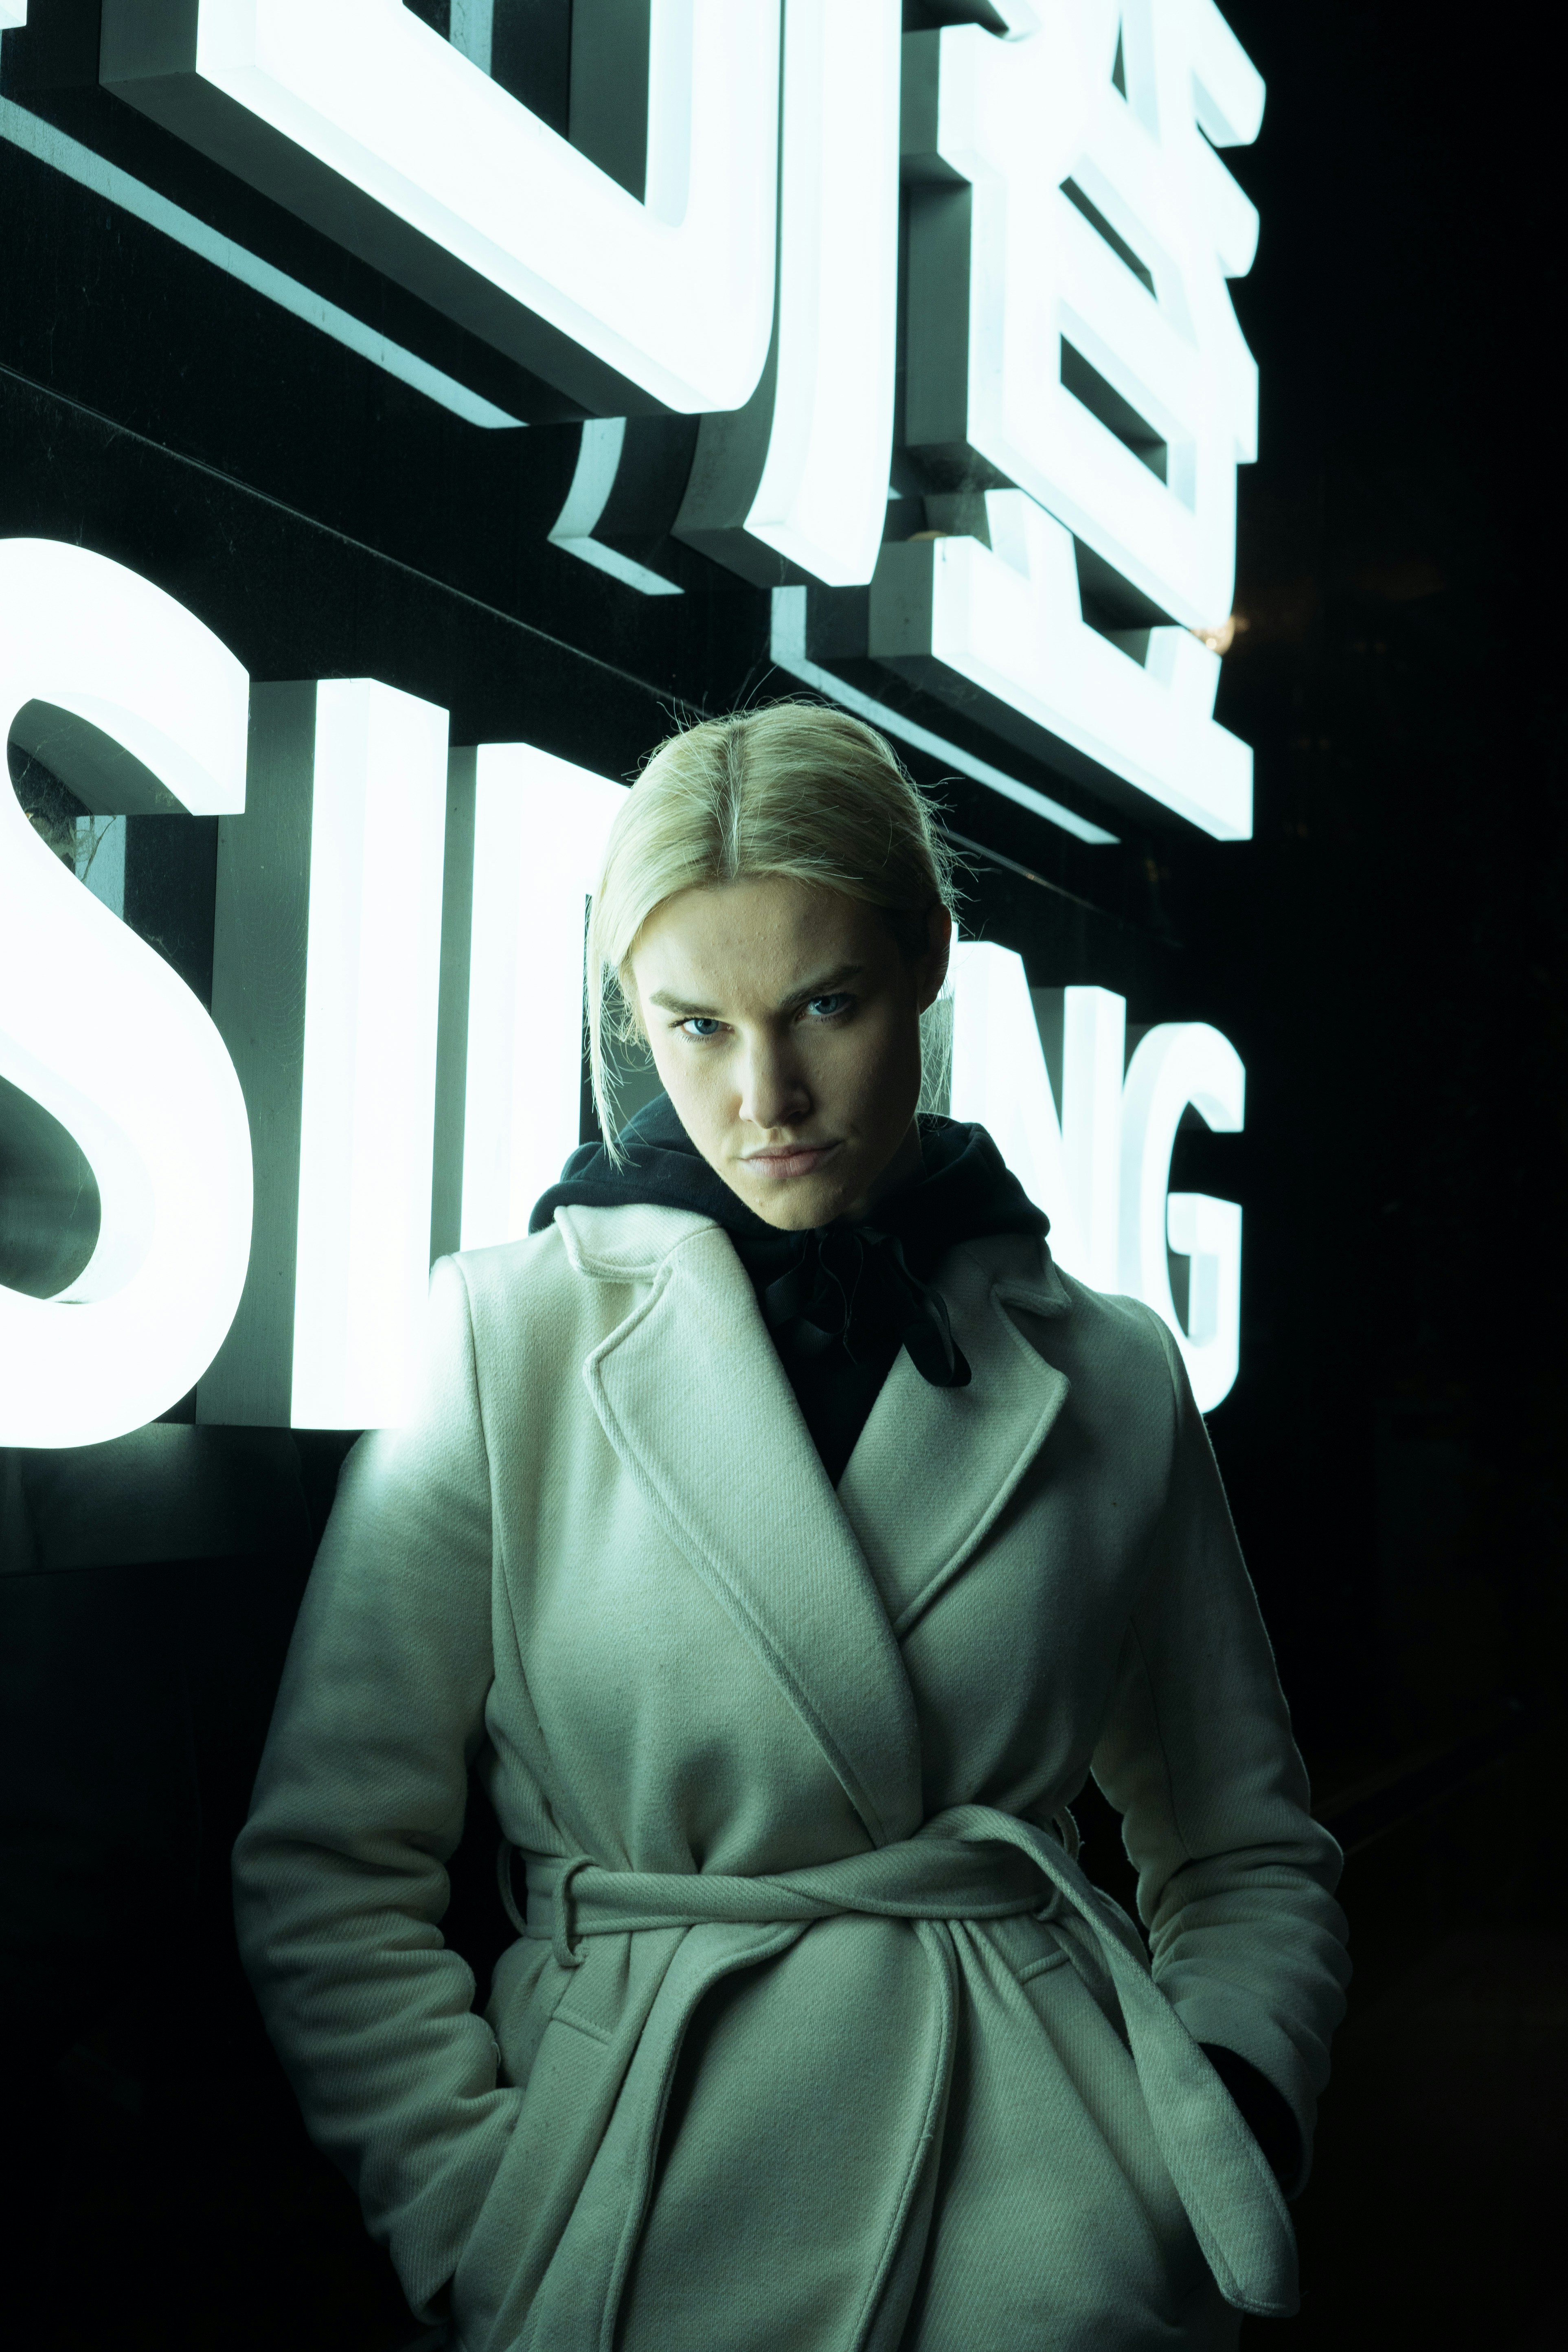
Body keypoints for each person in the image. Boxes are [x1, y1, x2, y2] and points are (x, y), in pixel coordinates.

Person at [232, 703, 1351, 2351]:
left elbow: (1244, 1845)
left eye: (826, 1003)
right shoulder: (504, 1334)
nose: (765, 1093)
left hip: (1056, 2225)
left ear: (930, 960)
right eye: (694, 1025)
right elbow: (333, 1861)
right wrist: (480, 2213)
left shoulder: (1109, 1368)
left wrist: (1218, 2126)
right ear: (633, 1018)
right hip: (626, 2209)